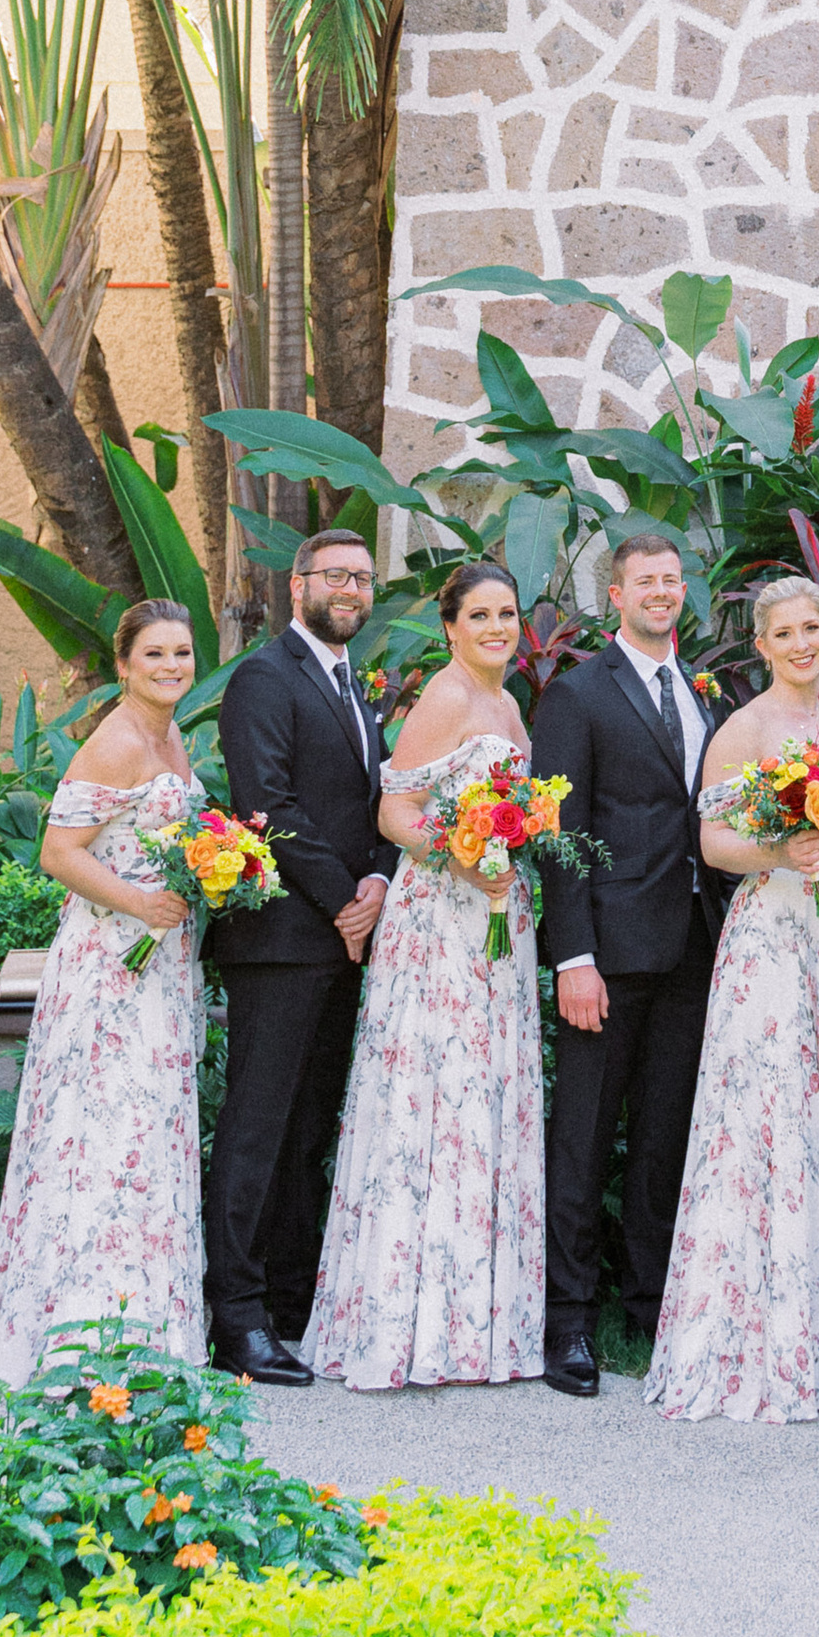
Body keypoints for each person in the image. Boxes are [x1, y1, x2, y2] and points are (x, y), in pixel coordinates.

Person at [305, 560, 547, 1392]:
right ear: (449, 626)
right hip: (442, 922)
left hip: (496, 922)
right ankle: (407, 1320)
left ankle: (478, 1323)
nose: (496, 628)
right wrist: (464, 853)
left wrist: (506, 856)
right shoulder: (443, 697)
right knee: (432, 1103)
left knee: (485, 1101)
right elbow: (393, 810)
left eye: (507, 614)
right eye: (479, 615)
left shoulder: (511, 705)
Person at [646, 576, 819, 1423]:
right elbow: (711, 842)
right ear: (763, 645)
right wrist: (784, 851)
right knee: (760, 1119)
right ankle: (739, 1337)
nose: (803, 644)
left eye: (814, 627)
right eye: (785, 633)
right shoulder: (742, 729)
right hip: (769, 942)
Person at [0, 600, 205, 1385]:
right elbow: (58, 851)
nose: (172, 667)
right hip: (112, 966)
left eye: (182, 653)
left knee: (148, 1135)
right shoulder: (113, 740)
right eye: (155, 656)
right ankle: (83, 1334)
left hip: (161, 965)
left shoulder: (170, 735)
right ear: (123, 667)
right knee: (105, 1135)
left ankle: (143, 1323)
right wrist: (139, 902)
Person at [531, 523, 722, 1395]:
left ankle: (649, 1301)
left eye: (672, 580)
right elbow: (558, 837)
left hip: (691, 946)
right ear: (615, 595)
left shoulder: (700, 691)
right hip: (605, 952)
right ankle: (566, 1319)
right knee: (582, 1137)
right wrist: (572, 954)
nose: (660, 593)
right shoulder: (576, 697)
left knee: (662, 1134)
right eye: (644, 581)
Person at [202, 527, 390, 1386]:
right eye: (336, 575)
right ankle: (233, 1318)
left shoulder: (358, 689)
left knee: (308, 1130)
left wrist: (379, 883)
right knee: (256, 1130)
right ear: (298, 585)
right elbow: (266, 804)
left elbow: (381, 801)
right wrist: (348, 898)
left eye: (363, 576)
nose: (351, 588)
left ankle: (288, 1300)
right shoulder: (263, 679)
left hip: (343, 944)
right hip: (280, 942)